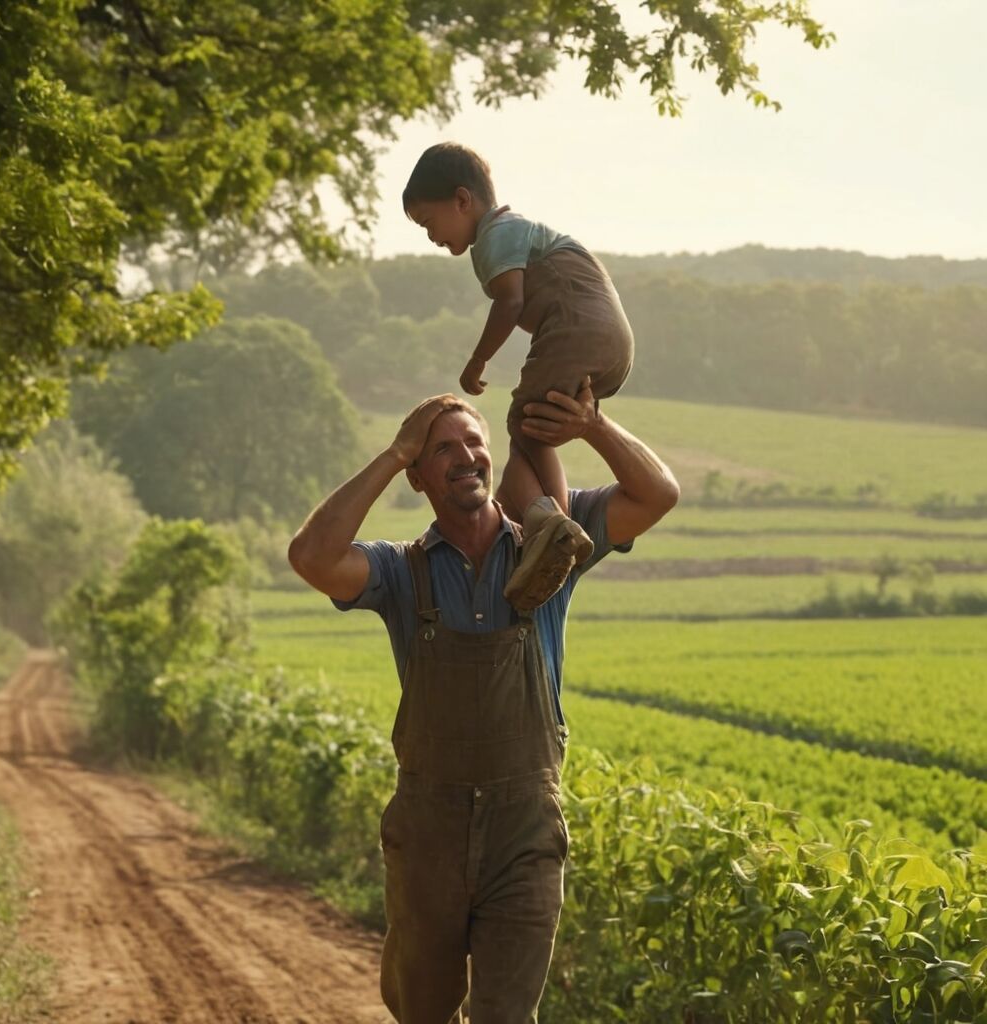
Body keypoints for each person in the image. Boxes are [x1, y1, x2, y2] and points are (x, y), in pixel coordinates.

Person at [287, 382, 679, 1024]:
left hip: (523, 831)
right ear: (418, 477)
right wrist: (392, 452)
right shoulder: (399, 572)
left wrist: (591, 425)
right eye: (441, 450)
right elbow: (312, 557)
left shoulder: (552, 548)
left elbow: (657, 494)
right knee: (424, 1011)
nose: (464, 456)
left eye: (474, 442)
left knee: (505, 1015)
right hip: (428, 833)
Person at [402, 142, 637, 611]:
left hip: (577, 328)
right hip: (608, 342)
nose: (430, 236)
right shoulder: (507, 234)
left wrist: (478, 361)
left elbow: (509, 303)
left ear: (462, 201)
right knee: (532, 434)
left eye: (430, 222)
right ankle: (550, 526)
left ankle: (555, 531)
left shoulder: (496, 235)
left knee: (523, 421)